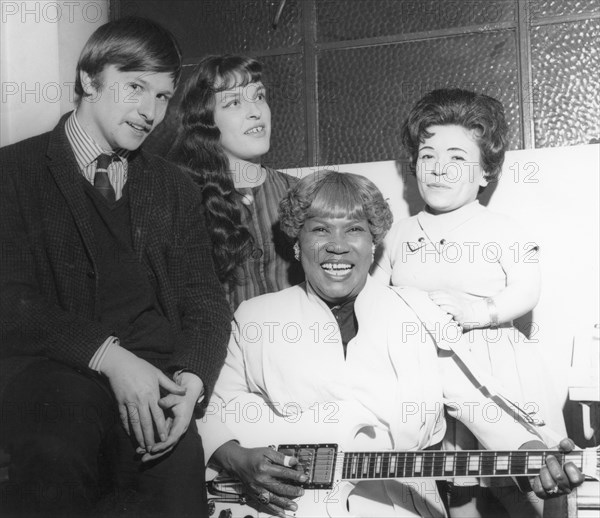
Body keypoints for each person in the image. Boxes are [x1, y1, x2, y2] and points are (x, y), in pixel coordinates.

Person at [198, 170, 583, 518]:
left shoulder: (417, 310)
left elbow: (479, 400)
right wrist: (240, 459)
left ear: (373, 243)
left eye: (354, 229)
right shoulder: (256, 316)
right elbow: (212, 411)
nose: (338, 246)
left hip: (401, 506)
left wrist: (534, 450)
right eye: (319, 229)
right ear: (297, 242)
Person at [0, 17, 230, 518]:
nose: (150, 112)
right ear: (89, 79)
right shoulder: (12, 174)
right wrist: (109, 357)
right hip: (55, 381)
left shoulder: (175, 188)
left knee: (180, 484)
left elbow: (205, 301)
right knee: (55, 449)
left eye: (164, 96)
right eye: (135, 87)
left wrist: (191, 382)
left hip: (159, 391)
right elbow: (10, 303)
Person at [371, 88, 566, 516]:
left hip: (499, 374)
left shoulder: (501, 228)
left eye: (457, 157)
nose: (439, 168)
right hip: (430, 375)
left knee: (533, 484)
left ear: (485, 173)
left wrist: (481, 312)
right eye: (427, 155)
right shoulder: (398, 235)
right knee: (458, 487)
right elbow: (375, 302)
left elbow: (526, 289)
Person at [169, 54, 303, 312]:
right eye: (234, 103)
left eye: (259, 97)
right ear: (206, 120)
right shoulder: (184, 201)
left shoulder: (302, 193)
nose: (255, 112)